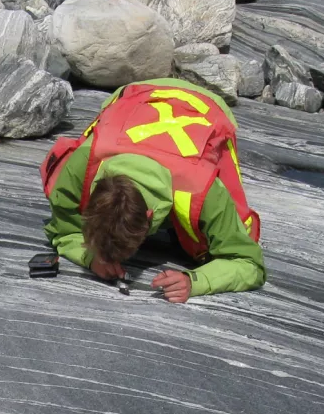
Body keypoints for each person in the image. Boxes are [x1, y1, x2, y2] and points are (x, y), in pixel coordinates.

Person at [38, 78, 266, 303]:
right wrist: (91, 258)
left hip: (209, 107)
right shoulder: (80, 167)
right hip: (137, 92)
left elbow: (249, 264)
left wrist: (194, 281)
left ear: (150, 216)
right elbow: (65, 231)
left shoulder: (204, 192)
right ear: (88, 204)